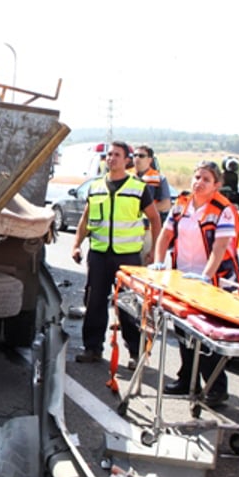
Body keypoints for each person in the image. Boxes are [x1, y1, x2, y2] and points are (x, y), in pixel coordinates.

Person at [151, 160, 239, 407]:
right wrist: (159, 262)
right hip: (183, 277)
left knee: (206, 337)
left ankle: (216, 387)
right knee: (183, 332)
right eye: (197, 177)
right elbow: (166, 235)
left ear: (217, 185)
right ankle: (186, 379)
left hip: (212, 281)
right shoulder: (182, 203)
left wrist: (206, 277)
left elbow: (220, 248)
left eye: (206, 179)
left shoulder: (223, 209)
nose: (199, 183)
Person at [71, 141, 160, 365]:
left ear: (127, 159)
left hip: (128, 257)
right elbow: (85, 219)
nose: (112, 158)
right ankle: (92, 348)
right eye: (109, 154)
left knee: (129, 305)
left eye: (117, 155)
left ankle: (135, 353)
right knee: (94, 303)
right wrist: (76, 244)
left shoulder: (137, 187)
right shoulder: (96, 186)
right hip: (99, 255)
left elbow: (155, 218)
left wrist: (153, 251)